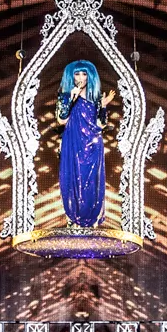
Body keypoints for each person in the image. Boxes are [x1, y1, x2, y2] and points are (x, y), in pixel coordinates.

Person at [56, 60, 109, 229]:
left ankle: (91, 219)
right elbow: (61, 120)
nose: (80, 77)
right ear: (71, 77)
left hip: (93, 143)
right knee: (73, 177)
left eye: (84, 74)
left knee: (91, 179)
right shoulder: (65, 96)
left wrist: (103, 107)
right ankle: (73, 218)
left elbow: (101, 124)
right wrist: (71, 99)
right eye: (77, 74)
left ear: (89, 76)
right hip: (73, 141)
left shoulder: (96, 98)